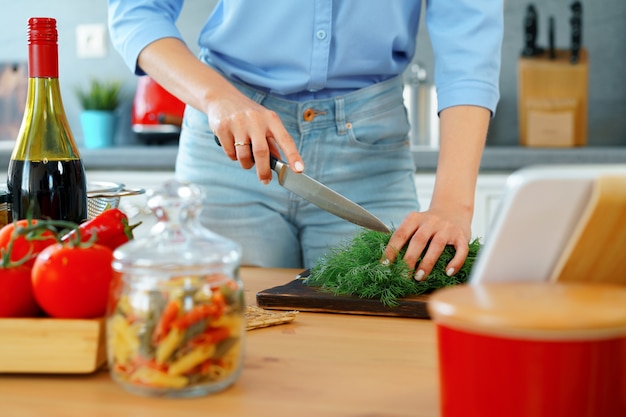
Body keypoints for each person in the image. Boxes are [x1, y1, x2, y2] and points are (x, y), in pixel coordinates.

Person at [108, 0, 503, 280]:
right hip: (233, 143)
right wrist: (218, 98)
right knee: (223, 335)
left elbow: (470, 43)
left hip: (370, 152)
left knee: (373, 351)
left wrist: (453, 205)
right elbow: (136, 11)